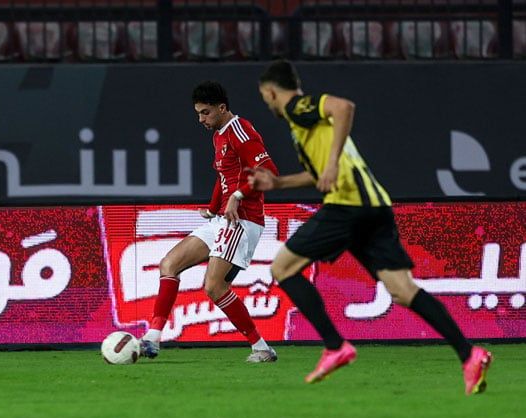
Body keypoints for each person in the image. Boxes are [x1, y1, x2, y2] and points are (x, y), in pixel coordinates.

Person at [249, 59, 492, 393]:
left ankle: (335, 346)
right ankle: (469, 354)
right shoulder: (307, 128)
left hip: (348, 205)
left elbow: (344, 107)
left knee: (282, 268)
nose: (267, 104)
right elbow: (318, 175)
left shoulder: (297, 107)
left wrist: (332, 163)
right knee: (403, 290)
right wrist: (278, 184)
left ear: (271, 92)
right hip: (375, 207)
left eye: (265, 97)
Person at [140, 80, 279, 363]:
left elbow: (269, 171)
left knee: (214, 287)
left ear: (222, 108)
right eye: (198, 113)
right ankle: (152, 338)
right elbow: (223, 176)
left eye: (206, 112)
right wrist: (213, 208)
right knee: (169, 264)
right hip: (222, 219)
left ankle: (262, 348)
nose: (201, 119)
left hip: (242, 220)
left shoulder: (240, 130)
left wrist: (237, 196)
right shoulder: (219, 135)